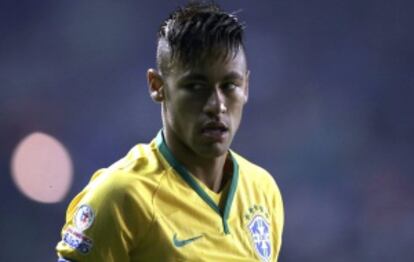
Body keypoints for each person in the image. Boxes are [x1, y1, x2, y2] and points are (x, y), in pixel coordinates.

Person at [56, 2, 284, 261]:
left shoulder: (263, 191)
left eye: (230, 85)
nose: (217, 105)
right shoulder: (121, 196)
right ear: (157, 86)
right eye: (196, 86)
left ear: (246, 87)